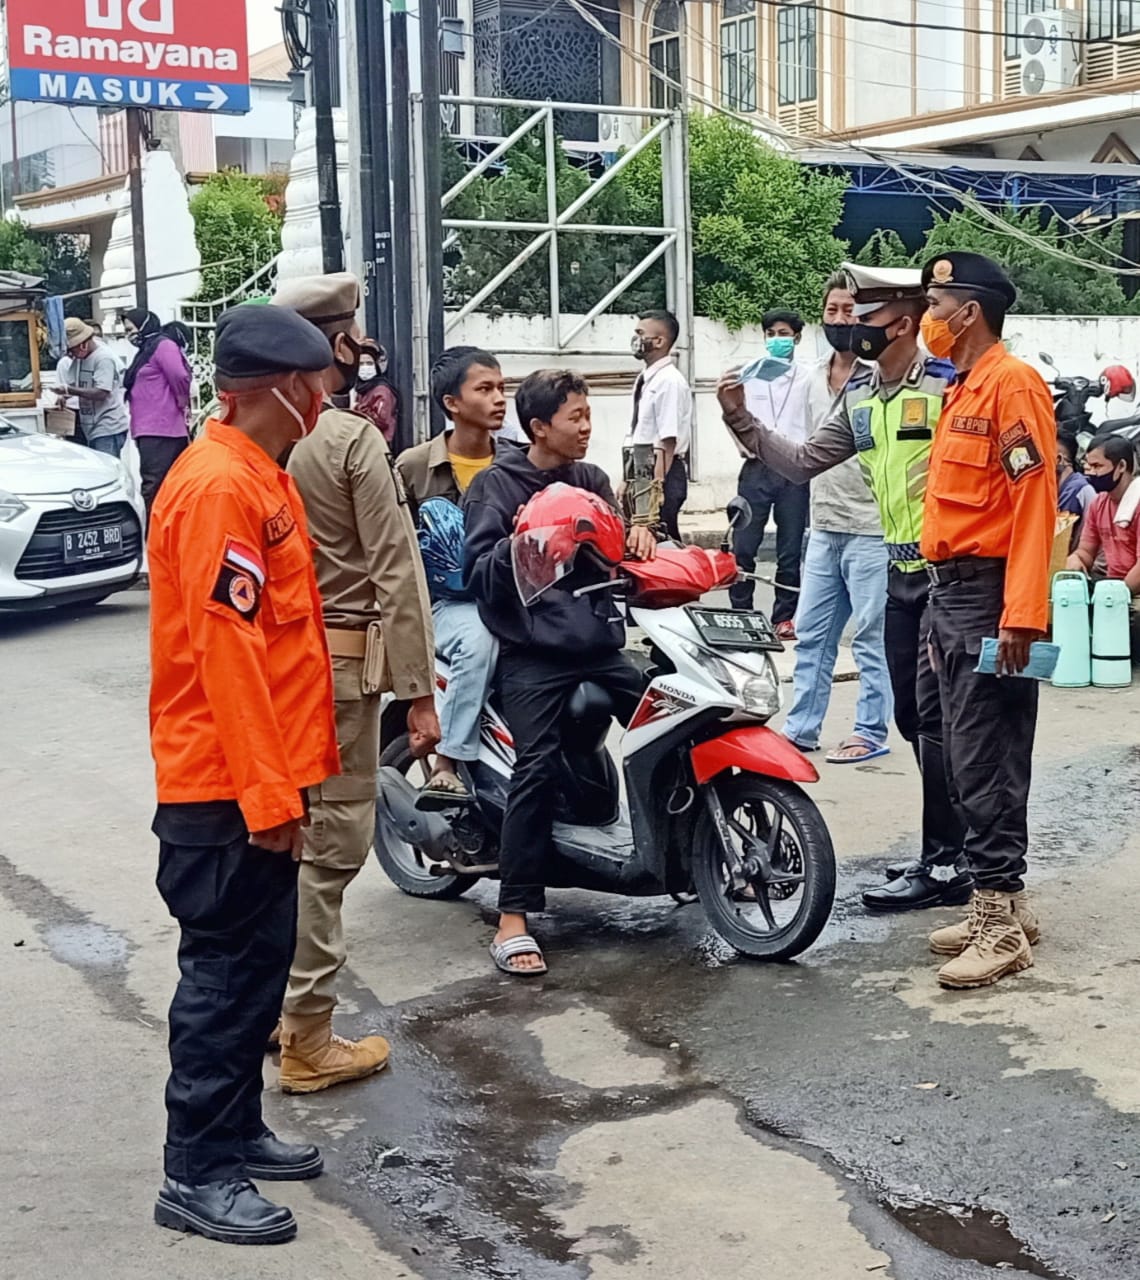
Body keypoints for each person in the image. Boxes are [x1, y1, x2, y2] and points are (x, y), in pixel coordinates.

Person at [148, 303, 339, 1245]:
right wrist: (268, 796)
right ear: (289, 389)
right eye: (322, 385)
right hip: (223, 786)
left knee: (259, 966)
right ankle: (197, 1171)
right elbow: (230, 661)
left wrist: (291, 783)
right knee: (223, 980)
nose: (329, 399)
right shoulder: (221, 489)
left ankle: (235, 1129)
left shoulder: (256, 475)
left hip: (262, 775)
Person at [716, 263, 969, 914]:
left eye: (862, 316)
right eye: (843, 315)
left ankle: (962, 862)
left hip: (959, 577)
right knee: (917, 719)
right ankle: (948, 856)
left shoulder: (951, 388)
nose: (846, 325)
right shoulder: (864, 399)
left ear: (903, 321)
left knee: (960, 721)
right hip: (900, 569)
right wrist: (740, 420)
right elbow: (802, 462)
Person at [274, 272, 439, 1092]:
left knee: (275, 843)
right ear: (338, 342)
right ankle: (307, 1035)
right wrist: (418, 690)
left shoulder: (237, 437)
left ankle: (277, 1010)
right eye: (355, 336)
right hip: (339, 671)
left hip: (265, 674)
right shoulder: (345, 439)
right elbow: (395, 568)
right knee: (331, 852)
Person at [464, 370, 656, 976]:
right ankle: (514, 916)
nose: (586, 427)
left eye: (588, 415)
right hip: (533, 653)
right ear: (539, 426)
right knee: (537, 763)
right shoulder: (498, 484)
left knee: (675, 714)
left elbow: (614, 554)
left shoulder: (592, 479)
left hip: (597, 642)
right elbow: (479, 571)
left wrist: (643, 541)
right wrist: (535, 539)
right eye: (574, 417)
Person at [917, 250, 1056, 989]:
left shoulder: (1013, 384)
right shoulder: (961, 386)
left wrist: (1023, 611)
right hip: (949, 592)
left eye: (937, 306)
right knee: (957, 748)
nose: (928, 320)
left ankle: (999, 922)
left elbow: (1035, 500)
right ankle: (1002, 902)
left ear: (968, 312)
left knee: (984, 754)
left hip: (991, 594)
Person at [781, 273, 892, 764]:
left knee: (871, 638)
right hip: (823, 523)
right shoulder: (809, 378)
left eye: (850, 310)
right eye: (832, 311)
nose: (841, 319)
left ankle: (870, 731)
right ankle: (800, 729)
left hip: (875, 528)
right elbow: (801, 450)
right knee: (812, 636)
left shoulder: (884, 376)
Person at [396, 346, 505, 806]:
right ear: (452, 404)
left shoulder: (518, 463)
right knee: (480, 639)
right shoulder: (412, 468)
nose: (500, 398)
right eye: (485, 389)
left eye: (502, 388)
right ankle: (448, 763)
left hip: (510, 599)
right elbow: (392, 551)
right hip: (446, 606)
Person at [729, 308, 812, 640]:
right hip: (756, 467)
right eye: (770, 334)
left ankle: (785, 616)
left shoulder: (809, 376)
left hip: (794, 467)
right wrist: (741, 445)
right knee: (744, 545)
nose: (776, 339)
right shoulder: (749, 373)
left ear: (797, 338)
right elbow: (731, 412)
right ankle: (741, 613)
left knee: (790, 549)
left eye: (783, 333)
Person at [122, 309, 193, 520]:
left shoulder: (163, 345)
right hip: (149, 428)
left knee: (156, 487)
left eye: (130, 329)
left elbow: (180, 376)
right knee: (156, 485)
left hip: (163, 428)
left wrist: (182, 402)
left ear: (144, 325)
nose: (129, 335)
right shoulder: (146, 350)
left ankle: (154, 537)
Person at [628, 310, 693, 540]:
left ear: (659, 341)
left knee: (663, 539)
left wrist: (652, 490)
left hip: (661, 472)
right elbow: (639, 432)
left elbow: (667, 440)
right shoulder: (646, 377)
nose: (635, 339)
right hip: (643, 469)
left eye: (640, 333)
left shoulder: (670, 382)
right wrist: (629, 479)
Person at [1067, 434, 1140, 592]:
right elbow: (1086, 551)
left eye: (1097, 466)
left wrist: (1115, 596)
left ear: (1121, 466)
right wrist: (1076, 559)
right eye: (1089, 466)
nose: (1091, 473)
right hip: (1113, 587)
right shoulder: (1098, 503)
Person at [55, 316, 130, 457]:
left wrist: (68, 390)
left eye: (72, 349)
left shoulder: (103, 358)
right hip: (89, 426)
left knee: (107, 470)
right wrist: (63, 395)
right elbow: (74, 384)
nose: (70, 354)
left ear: (83, 344)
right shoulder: (79, 359)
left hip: (108, 426)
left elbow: (101, 392)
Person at [352, 341, 398, 444]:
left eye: (369, 363)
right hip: (365, 442)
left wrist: (357, 409)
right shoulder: (362, 389)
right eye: (361, 364)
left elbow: (382, 420)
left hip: (378, 443)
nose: (365, 367)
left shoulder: (382, 390)